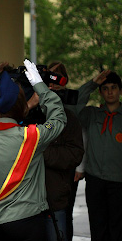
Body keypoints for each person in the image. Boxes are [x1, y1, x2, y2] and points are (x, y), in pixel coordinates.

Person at [0, 60, 67, 241]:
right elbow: (59, 118)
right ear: (22, 106)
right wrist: (40, 86)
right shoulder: (32, 136)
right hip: (28, 221)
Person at [71, 70, 122, 241]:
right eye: (105, 88)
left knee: (117, 228)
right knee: (97, 228)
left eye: (114, 88)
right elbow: (73, 108)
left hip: (118, 181)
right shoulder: (92, 114)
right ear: (100, 93)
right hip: (95, 181)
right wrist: (91, 84)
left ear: (120, 91)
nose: (109, 92)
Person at [41, 62, 85, 241]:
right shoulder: (31, 112)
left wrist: (41, 153)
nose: (52, 85)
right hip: (31, 197)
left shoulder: (70, 115)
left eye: (57, 80)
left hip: (58, 189)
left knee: (62, 224)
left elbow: (75, 151)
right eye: (48, 79)